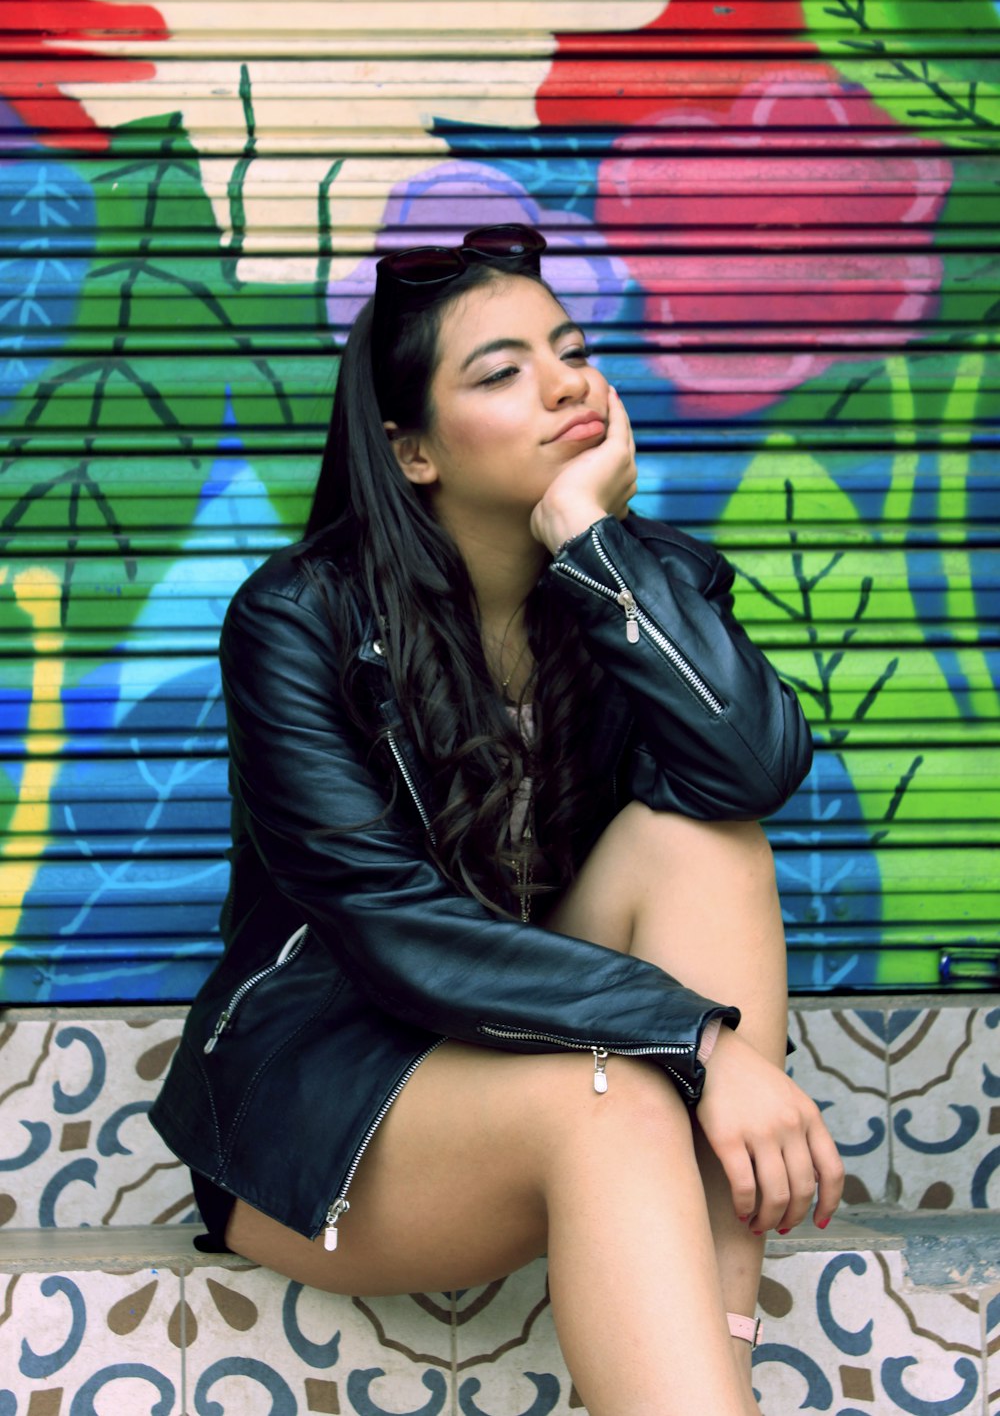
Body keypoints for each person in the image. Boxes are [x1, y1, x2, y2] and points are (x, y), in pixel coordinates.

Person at [150, 223, 843, 1416]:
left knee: (702, 839)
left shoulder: (642, 580)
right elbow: (389, 928)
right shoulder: (296, 620)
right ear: (410, 449)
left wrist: (591, 544)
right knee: (617, 1093)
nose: (567, 380)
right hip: (341, 1100)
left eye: (569, 350)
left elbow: (752, 769)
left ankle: (714, 1357)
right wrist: (698, 1040)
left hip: (555, 1067)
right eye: (502, 369)